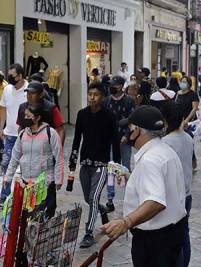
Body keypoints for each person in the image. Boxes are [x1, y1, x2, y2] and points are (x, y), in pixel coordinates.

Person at [101, 105, 186, 267]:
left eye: (130, 128)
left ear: (138, 131)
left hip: (155, 242)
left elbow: (156, 202)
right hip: (172, 235)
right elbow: (163, 187)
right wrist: (132, 177)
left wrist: (126, 222)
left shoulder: (150, 160)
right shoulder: (165, 151)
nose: (127, 132)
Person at [69, 81, 121, 248]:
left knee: (93, 199)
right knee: (88, 198)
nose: (92, 98)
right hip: (85, 164)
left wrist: (117, 166)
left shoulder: (110, 116)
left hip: (102, 165)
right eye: (90, 94)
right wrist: (73, 159)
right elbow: (77, 139)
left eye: (96, 95)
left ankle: (89, 233)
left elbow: (115, 142)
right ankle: (103, 210)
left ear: (102, 97)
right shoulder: (81, 114)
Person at [3, 103, 63, 218]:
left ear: (38, 117)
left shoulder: (50, 133)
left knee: (41, 218)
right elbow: (14, 158)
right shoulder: (22, 135)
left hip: (44, 184)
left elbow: (58, 156)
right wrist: (8, 177)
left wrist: (58, 179)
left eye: (28, 116)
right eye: (25, 116)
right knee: (28, 218)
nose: (25, 119)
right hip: (27, 184)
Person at [162, 102, 194, 267]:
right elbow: (193, 164)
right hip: (187, 194)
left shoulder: (165, 142)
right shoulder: (188, 138)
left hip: (172, 197)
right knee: (184, 232)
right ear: (182, 118)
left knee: (171, 237)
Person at [0, 63, 29, 208]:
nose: (9, 78)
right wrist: (1, 128)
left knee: (26, 168)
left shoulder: (29, 90)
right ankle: (5, 197)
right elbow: (3, 109)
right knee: (7, 165)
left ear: (20, 76)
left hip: (26, 136)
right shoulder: (7, 89)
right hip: (10, 135)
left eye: (12, 75)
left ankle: (26, 198)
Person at [104, 75, 135, 212]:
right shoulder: (106, 101)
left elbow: (133, 120)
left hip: (124, 140)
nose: (112, 87)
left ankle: (130, 197)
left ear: (122, 86)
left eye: (115, 85)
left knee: (126, 168)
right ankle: (110, 198)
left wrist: (127, 136)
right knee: (110, 169)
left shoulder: (129, 101)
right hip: (110, 139)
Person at [176, 76, 199, 169]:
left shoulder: (193, 94)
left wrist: (187, 120)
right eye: (182, 81)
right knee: (179, 142)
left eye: (185, 82)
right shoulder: (177, 94)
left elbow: (194, 108)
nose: (183, 83)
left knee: (188, 142)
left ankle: (192, 160)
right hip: (178, 121)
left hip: (189, 123)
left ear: (189, 83)